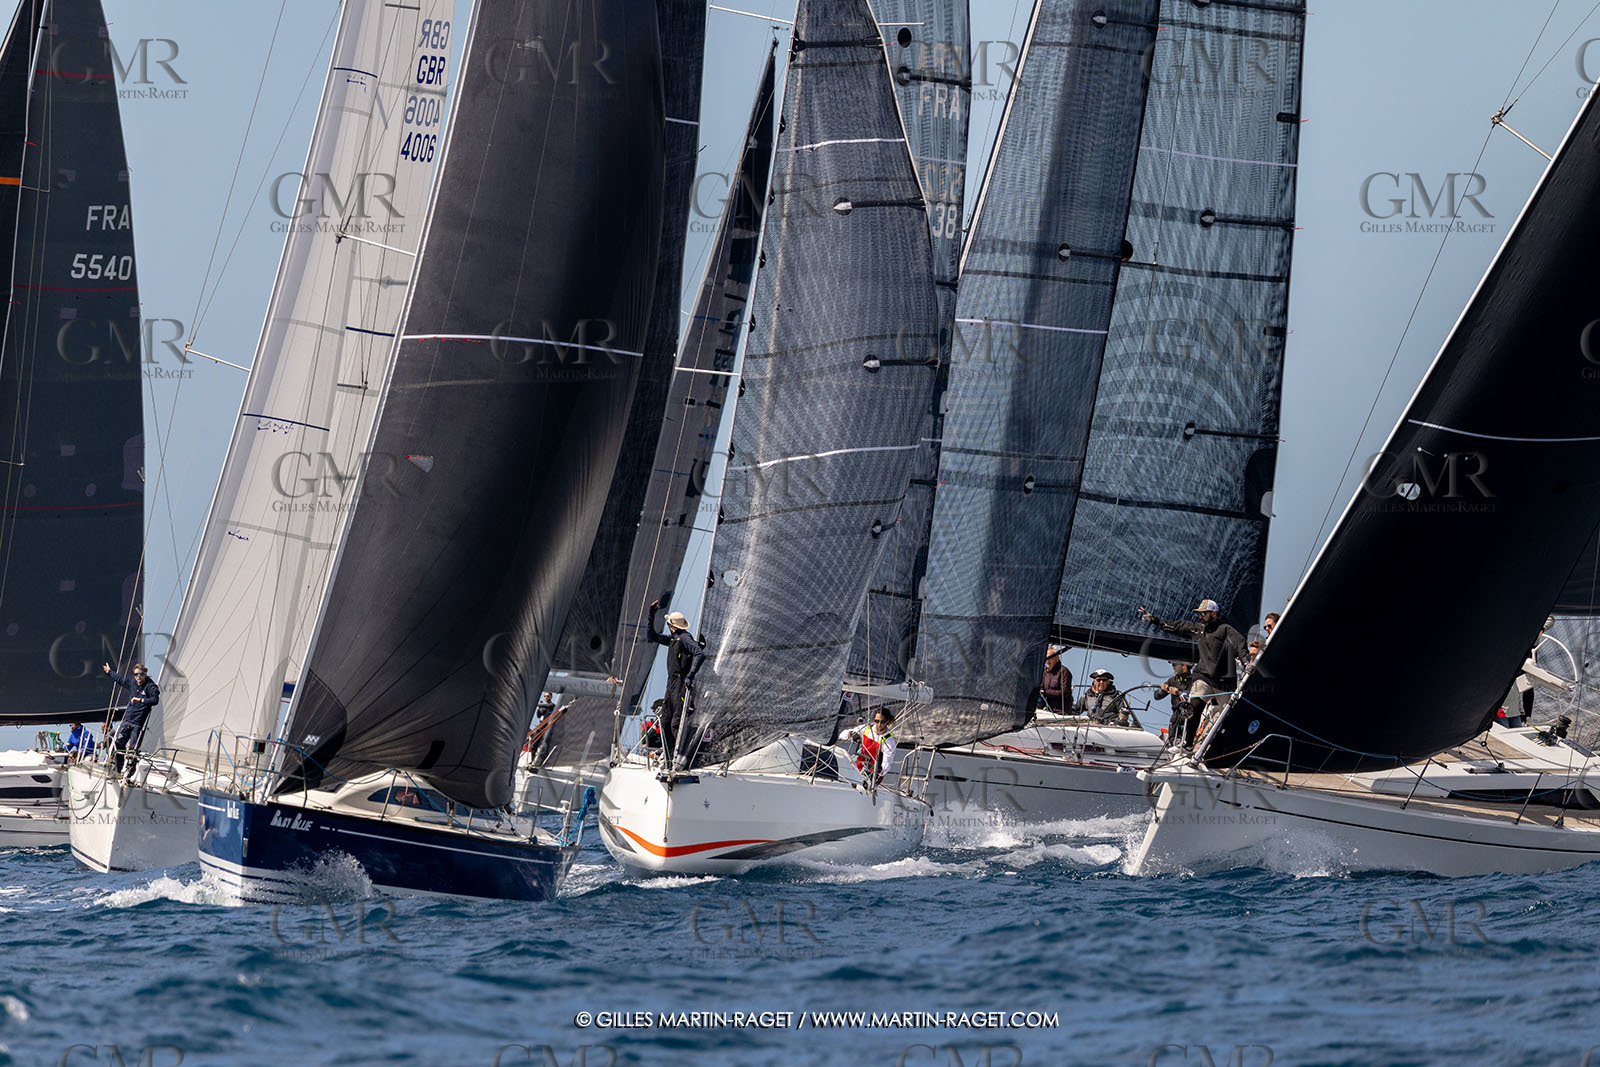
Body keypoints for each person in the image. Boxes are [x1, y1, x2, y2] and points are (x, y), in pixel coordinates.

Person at [1139, 599, 1249, 738]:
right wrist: (1155, 620)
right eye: (1199, 613)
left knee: (1229, 716)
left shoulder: (1225, 629)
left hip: (1224, 681)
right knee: (1194, 707)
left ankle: (1230, 743)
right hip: (1203, 676)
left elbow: (1240, 643)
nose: (1200, 616)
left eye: (1203, 613)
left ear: (1214, 613)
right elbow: (1178, 627)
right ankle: (1188, 745)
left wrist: (1246, 663)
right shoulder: (1199, 628)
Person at [647, 600, 704, 768]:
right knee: (664, 722)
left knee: (675, 723)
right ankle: (668, 758)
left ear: (672, 625)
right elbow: (652, 636)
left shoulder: (685, 638)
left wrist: (690, 676)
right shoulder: (674, 639)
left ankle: (679, 758)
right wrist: (651, 615)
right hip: (670, 685)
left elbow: (699, 653)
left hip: (680, 684)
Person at [101, 662, 159, 777]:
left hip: (137, 724)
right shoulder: (133, 683)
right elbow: (121, 680)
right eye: (136, 675)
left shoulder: (150, 686)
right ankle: (117, 770)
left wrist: (141, 700)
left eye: (141, 674)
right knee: (118, 743)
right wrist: (109, 672)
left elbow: (155, 700)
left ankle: (129, 772)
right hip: (127, 720)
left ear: (145, 674)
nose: (138, 677)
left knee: (133, 751)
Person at [854, 707, 898, 785]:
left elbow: (887, 761)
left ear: (887, 722)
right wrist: (851, 734)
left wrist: (881, 771)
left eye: (882, 722)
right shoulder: (867, 729)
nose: (879, 724)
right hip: (857, 765)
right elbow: (847, 733)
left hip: (872, 774)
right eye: (876, 721)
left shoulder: (889, 741)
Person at [1158, 662, 1194, 747]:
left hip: (1190, 716)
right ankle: (1175, 742)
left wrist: (1177, 692)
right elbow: (1156, 696)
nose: (1173, 667)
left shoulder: (1195, 680)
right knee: (1172, 738)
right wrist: (1163, 689)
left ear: (1184, 665)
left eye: (1174, 664)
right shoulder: (1172, 680)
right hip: (1176, 716)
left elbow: (1191, 696)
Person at [1039, 646, 1072, 716]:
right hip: (1044, 712)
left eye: (1050, 657)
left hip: (1060, 713)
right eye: (1046, 658)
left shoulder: (1064, 671)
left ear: (1057, 658)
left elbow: (1065, 693)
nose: (1048, 660)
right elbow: (1040, 689)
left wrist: (1045, 692)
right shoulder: (1043, 672)